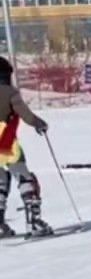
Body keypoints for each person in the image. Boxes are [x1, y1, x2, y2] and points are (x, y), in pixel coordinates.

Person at [0, 57, 52, 237]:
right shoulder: (9, 92)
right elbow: (24, 113)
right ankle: (34, 223)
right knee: (25, 177)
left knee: (1, 180)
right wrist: (39, 123)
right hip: (4, 139)